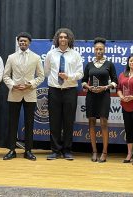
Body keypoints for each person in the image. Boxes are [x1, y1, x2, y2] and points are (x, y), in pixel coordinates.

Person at [2, 32, 45, 161]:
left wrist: (30, 84)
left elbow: (41, 76)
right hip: (14, 94)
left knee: (29, 123)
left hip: (30, 94)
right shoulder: (11, 57)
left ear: (29, 43)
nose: (22, 43)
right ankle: (11, 150)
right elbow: (5, 76)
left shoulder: (36, 58)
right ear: (18, 42)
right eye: (20, 41)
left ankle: (28, 151)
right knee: (12, 123)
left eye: (25, 41)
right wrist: (13, 85)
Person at [44, 28, 83, 160]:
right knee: (54, 122)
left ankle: (67, 150)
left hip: (70, 91)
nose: (63, 39)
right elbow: (47, 71)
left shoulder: (75, 55)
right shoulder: (51, 54)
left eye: (65, 37)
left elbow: (80, 73)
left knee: (68, 122)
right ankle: (55, 150)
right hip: (54, 91)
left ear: (69, 39)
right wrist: (55, 81)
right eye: (60, 37)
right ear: (57, 39)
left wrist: (68, 77)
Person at [81, 37, 117, 163]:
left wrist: (106, 87)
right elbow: (83, 80)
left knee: (103, 123)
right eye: (96, 49)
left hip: (104, 96)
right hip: (91, 96)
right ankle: (94, 151)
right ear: (93, 50)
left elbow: (115, 81)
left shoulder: (109, 64)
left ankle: (104, 152)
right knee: (91, 122)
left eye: (101, 49)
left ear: (104, 49)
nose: (99, 51)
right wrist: (88, 86)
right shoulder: (89, 65)